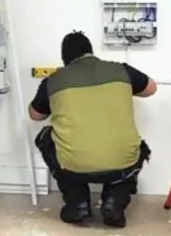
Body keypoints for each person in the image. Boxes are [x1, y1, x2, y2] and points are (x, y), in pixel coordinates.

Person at [28, 30, 156, 228]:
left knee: (45, 138)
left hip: (73, 166)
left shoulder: (53, 80)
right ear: (90, 50)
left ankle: (77, 203)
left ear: (65, 57)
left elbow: (35, 115)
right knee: (136, 147)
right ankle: (114, 203)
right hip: (122, 164)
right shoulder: (121, 70)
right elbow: (151, 89)